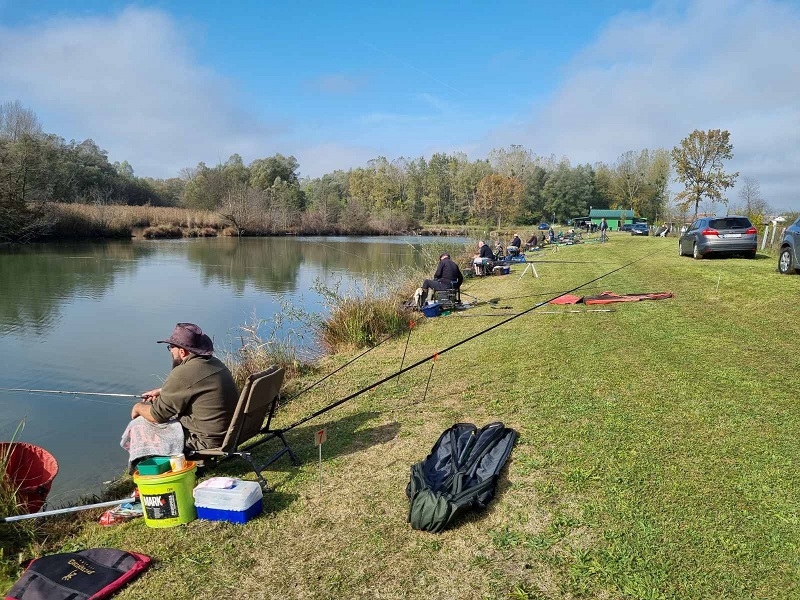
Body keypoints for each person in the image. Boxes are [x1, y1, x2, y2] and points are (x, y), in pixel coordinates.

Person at [129, 323, 239, 453]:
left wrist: (138, 407)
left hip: (206, 441)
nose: (171, 351)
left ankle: (148, 469)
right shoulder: (215, 363)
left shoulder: (183, 372)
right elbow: (197, 387)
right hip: (232, 434)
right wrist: (163, 392)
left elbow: (157, 416)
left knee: (139, 425)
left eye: (171, 347)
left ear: (182, 351)